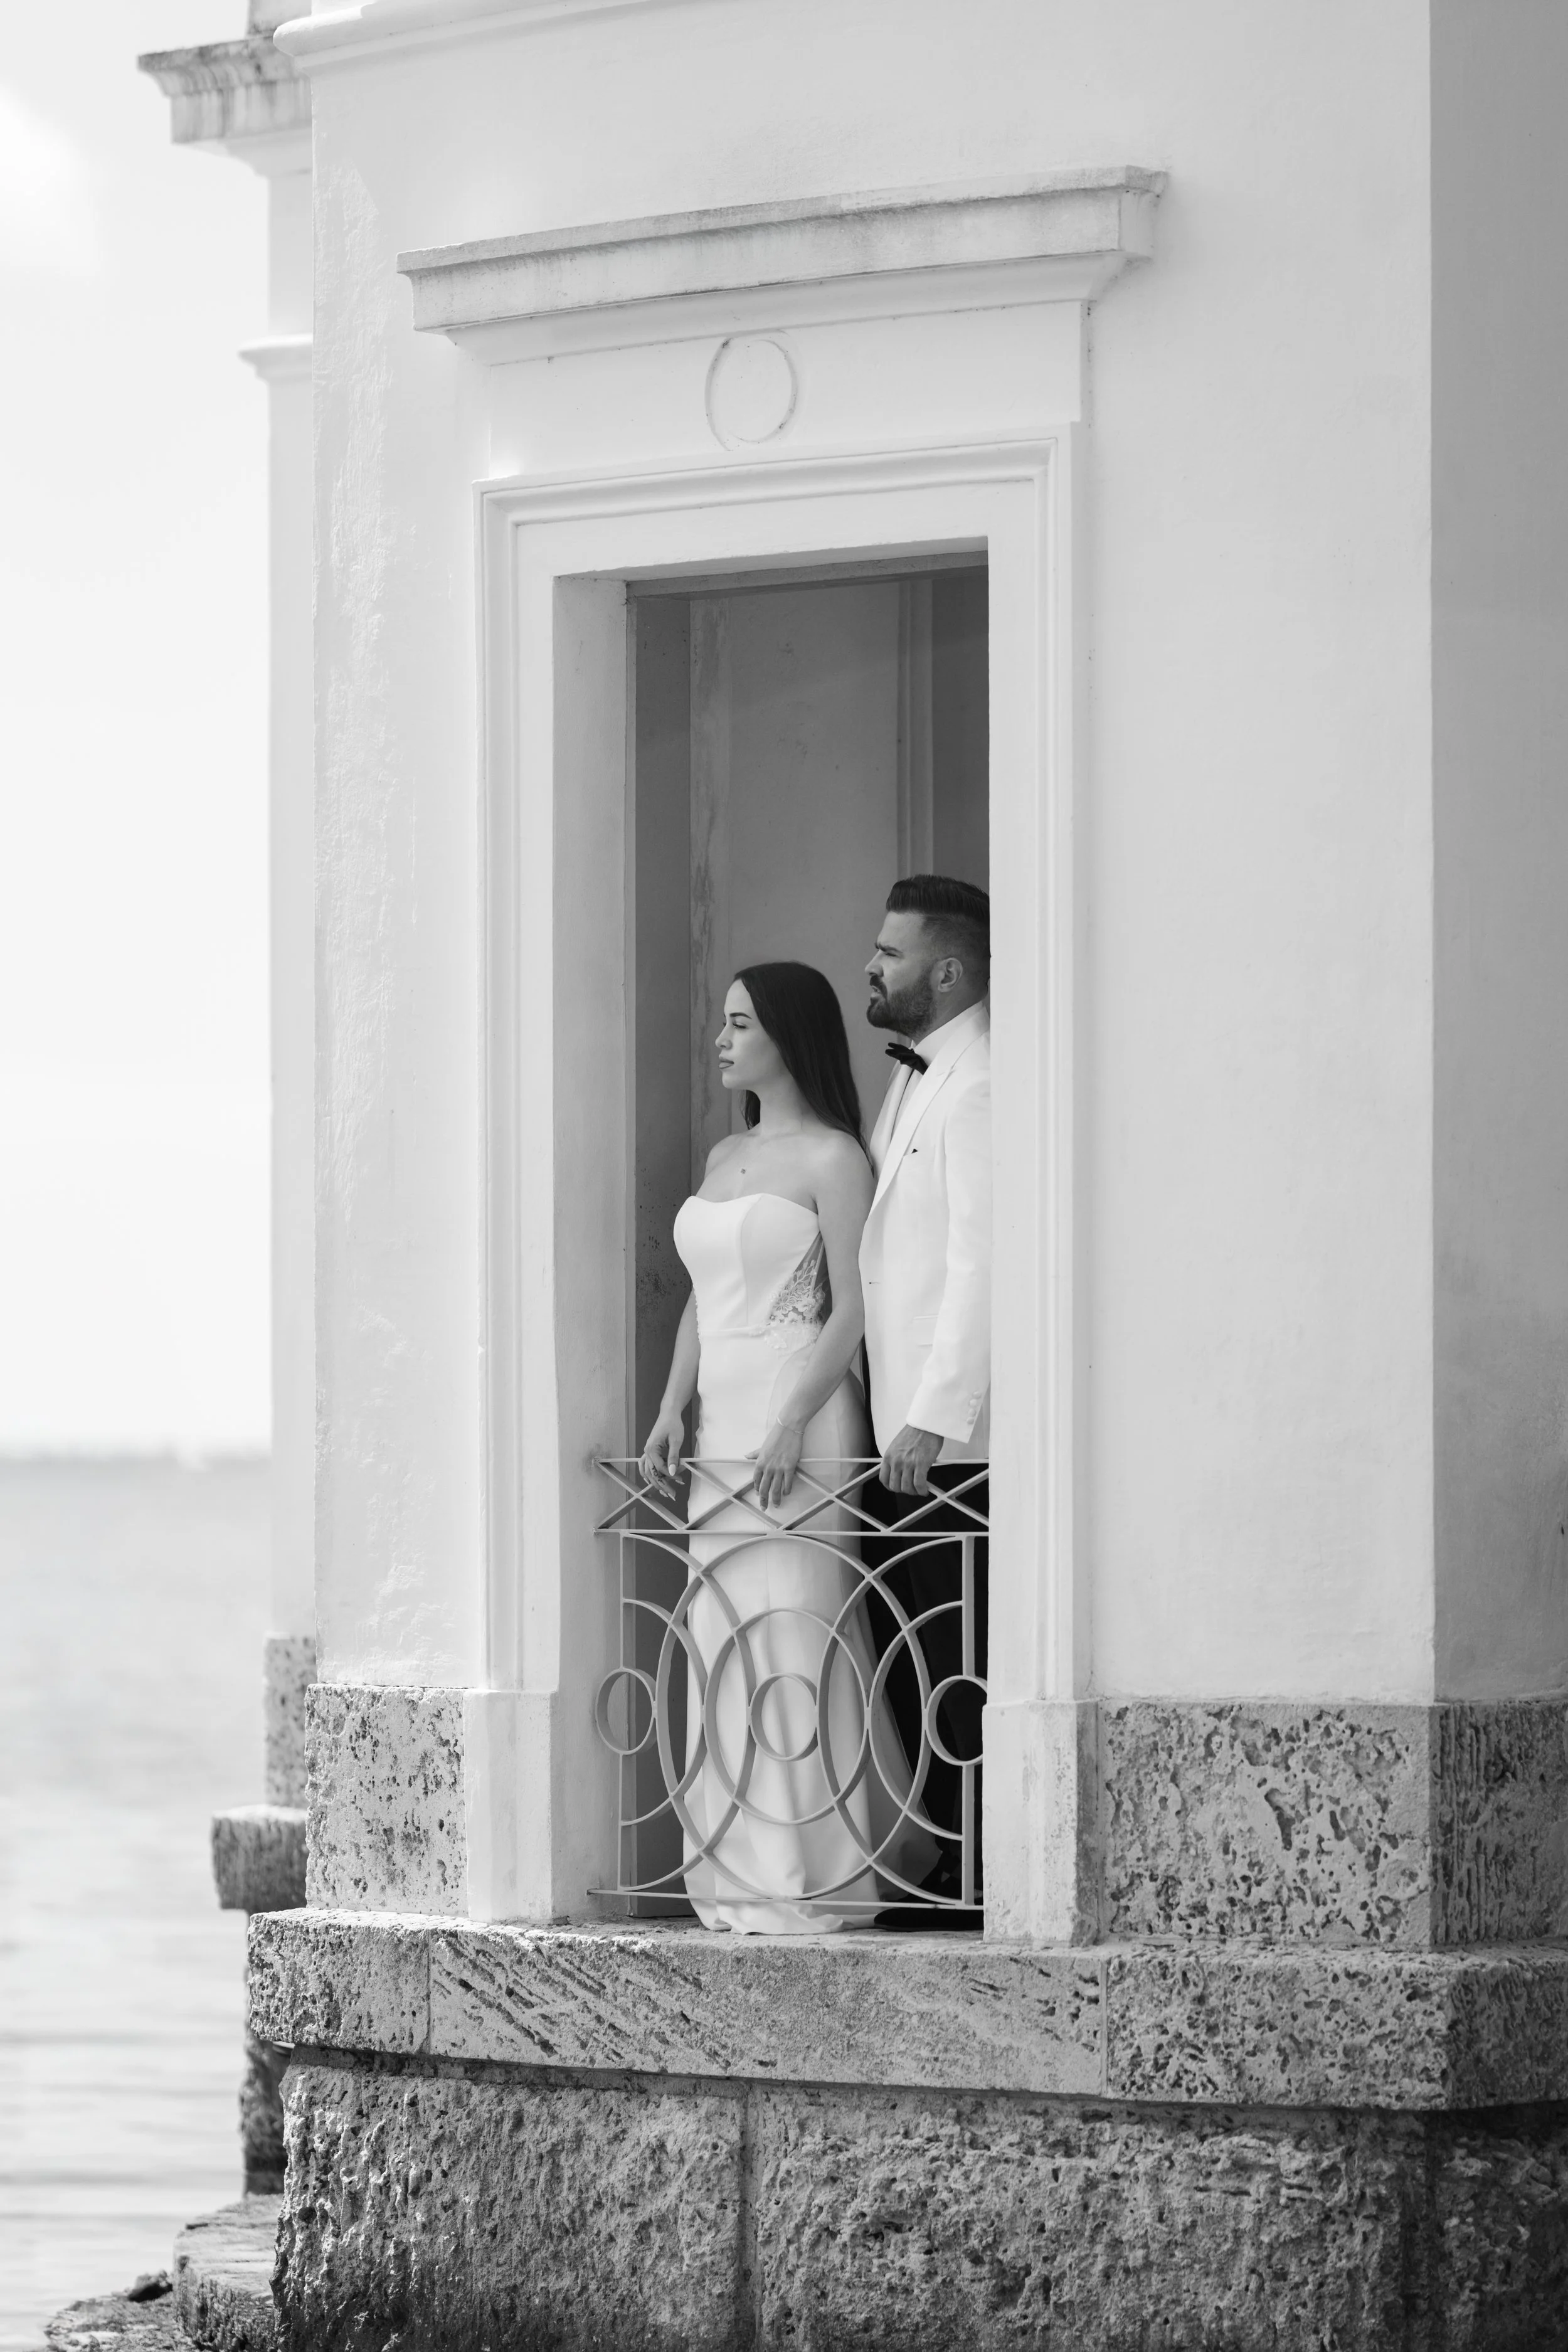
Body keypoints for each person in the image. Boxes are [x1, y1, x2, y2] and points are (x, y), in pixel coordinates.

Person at [639, 961, 933, 1933]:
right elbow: (702, 1296)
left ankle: (813, 1866)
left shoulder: (836, 1159)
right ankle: (734, 1868)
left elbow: (854, 1312)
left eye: (738, 1023)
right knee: (721, 1631)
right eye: (722, 1023)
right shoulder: (726, 1154)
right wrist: (672, 1407)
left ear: (785, 1034)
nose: (721, 1041)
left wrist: (790, 1419)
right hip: (720, 1422)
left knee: (794, 1629)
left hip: (798, 1419)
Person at [861, 874, 991, 1906]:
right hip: (888, 1426)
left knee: (953, 1645)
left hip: (944, 1442)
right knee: (908, 1645)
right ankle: (948, 1848)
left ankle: (979, 1862)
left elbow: (979, 1264)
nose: (875, 963)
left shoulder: (980, 1077)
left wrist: (932, 1413)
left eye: (891, 952)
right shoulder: (914, 1072)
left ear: (947, 970)